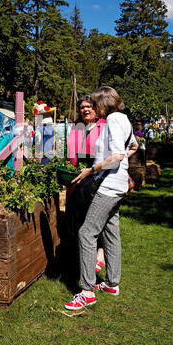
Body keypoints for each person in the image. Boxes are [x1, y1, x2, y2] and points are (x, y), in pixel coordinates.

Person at [65, 86, 138, 310]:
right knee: (110, 231)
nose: (93, 107)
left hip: (108, 183)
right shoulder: (123, 119)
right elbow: (132, 146)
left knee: (86, 232)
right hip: (118, 184)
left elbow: (116, 157)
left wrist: (92, 170)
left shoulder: (114, 119)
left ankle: (87, 291)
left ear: (104, 103)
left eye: (96, 103)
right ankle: (112, 284)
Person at [66, 95, 106, 274]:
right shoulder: (76, 126)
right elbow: (70, 152)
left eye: (89, 106)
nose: (86, 110)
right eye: (82, 107)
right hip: (78, 177)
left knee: (97, 218)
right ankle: (79, 255)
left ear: (96, 109)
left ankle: (101, 253)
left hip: (98, 175)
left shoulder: (104, 126)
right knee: (78, 217)